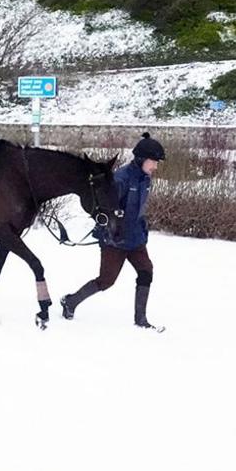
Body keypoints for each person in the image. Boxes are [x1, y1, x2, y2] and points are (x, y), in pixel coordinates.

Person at [60, 132, 165, 330]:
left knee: (146, 271)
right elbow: (106, 210)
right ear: (142, 159)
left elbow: (138, 209)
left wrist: (142, 228)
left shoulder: (145, 178)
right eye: (154, 161)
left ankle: (140, 320)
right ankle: (71, 301)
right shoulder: (120, 179)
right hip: (114, 239)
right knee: (106, 281)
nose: (156, 166)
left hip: (135, 238)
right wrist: (110, 232)